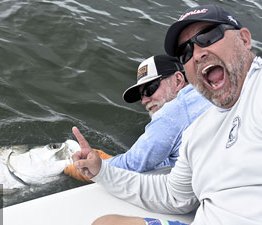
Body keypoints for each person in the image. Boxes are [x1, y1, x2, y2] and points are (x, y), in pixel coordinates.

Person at [71, 4, 262, 225]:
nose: (197, 55)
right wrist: (101, 171)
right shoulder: (197, 131)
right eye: (186, 53)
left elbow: (135, 162)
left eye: (209, 37)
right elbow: (174, 195)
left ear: (245, 39)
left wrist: (86, 167)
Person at [64, 54, 211, 181]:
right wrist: (111, 160)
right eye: (141, 95)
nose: (144, 100)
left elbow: (132, 165)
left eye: (150, 89)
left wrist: (85, 168)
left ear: (178, 80)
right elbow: (168, 155)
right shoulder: (209, 95)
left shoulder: (175, 110)